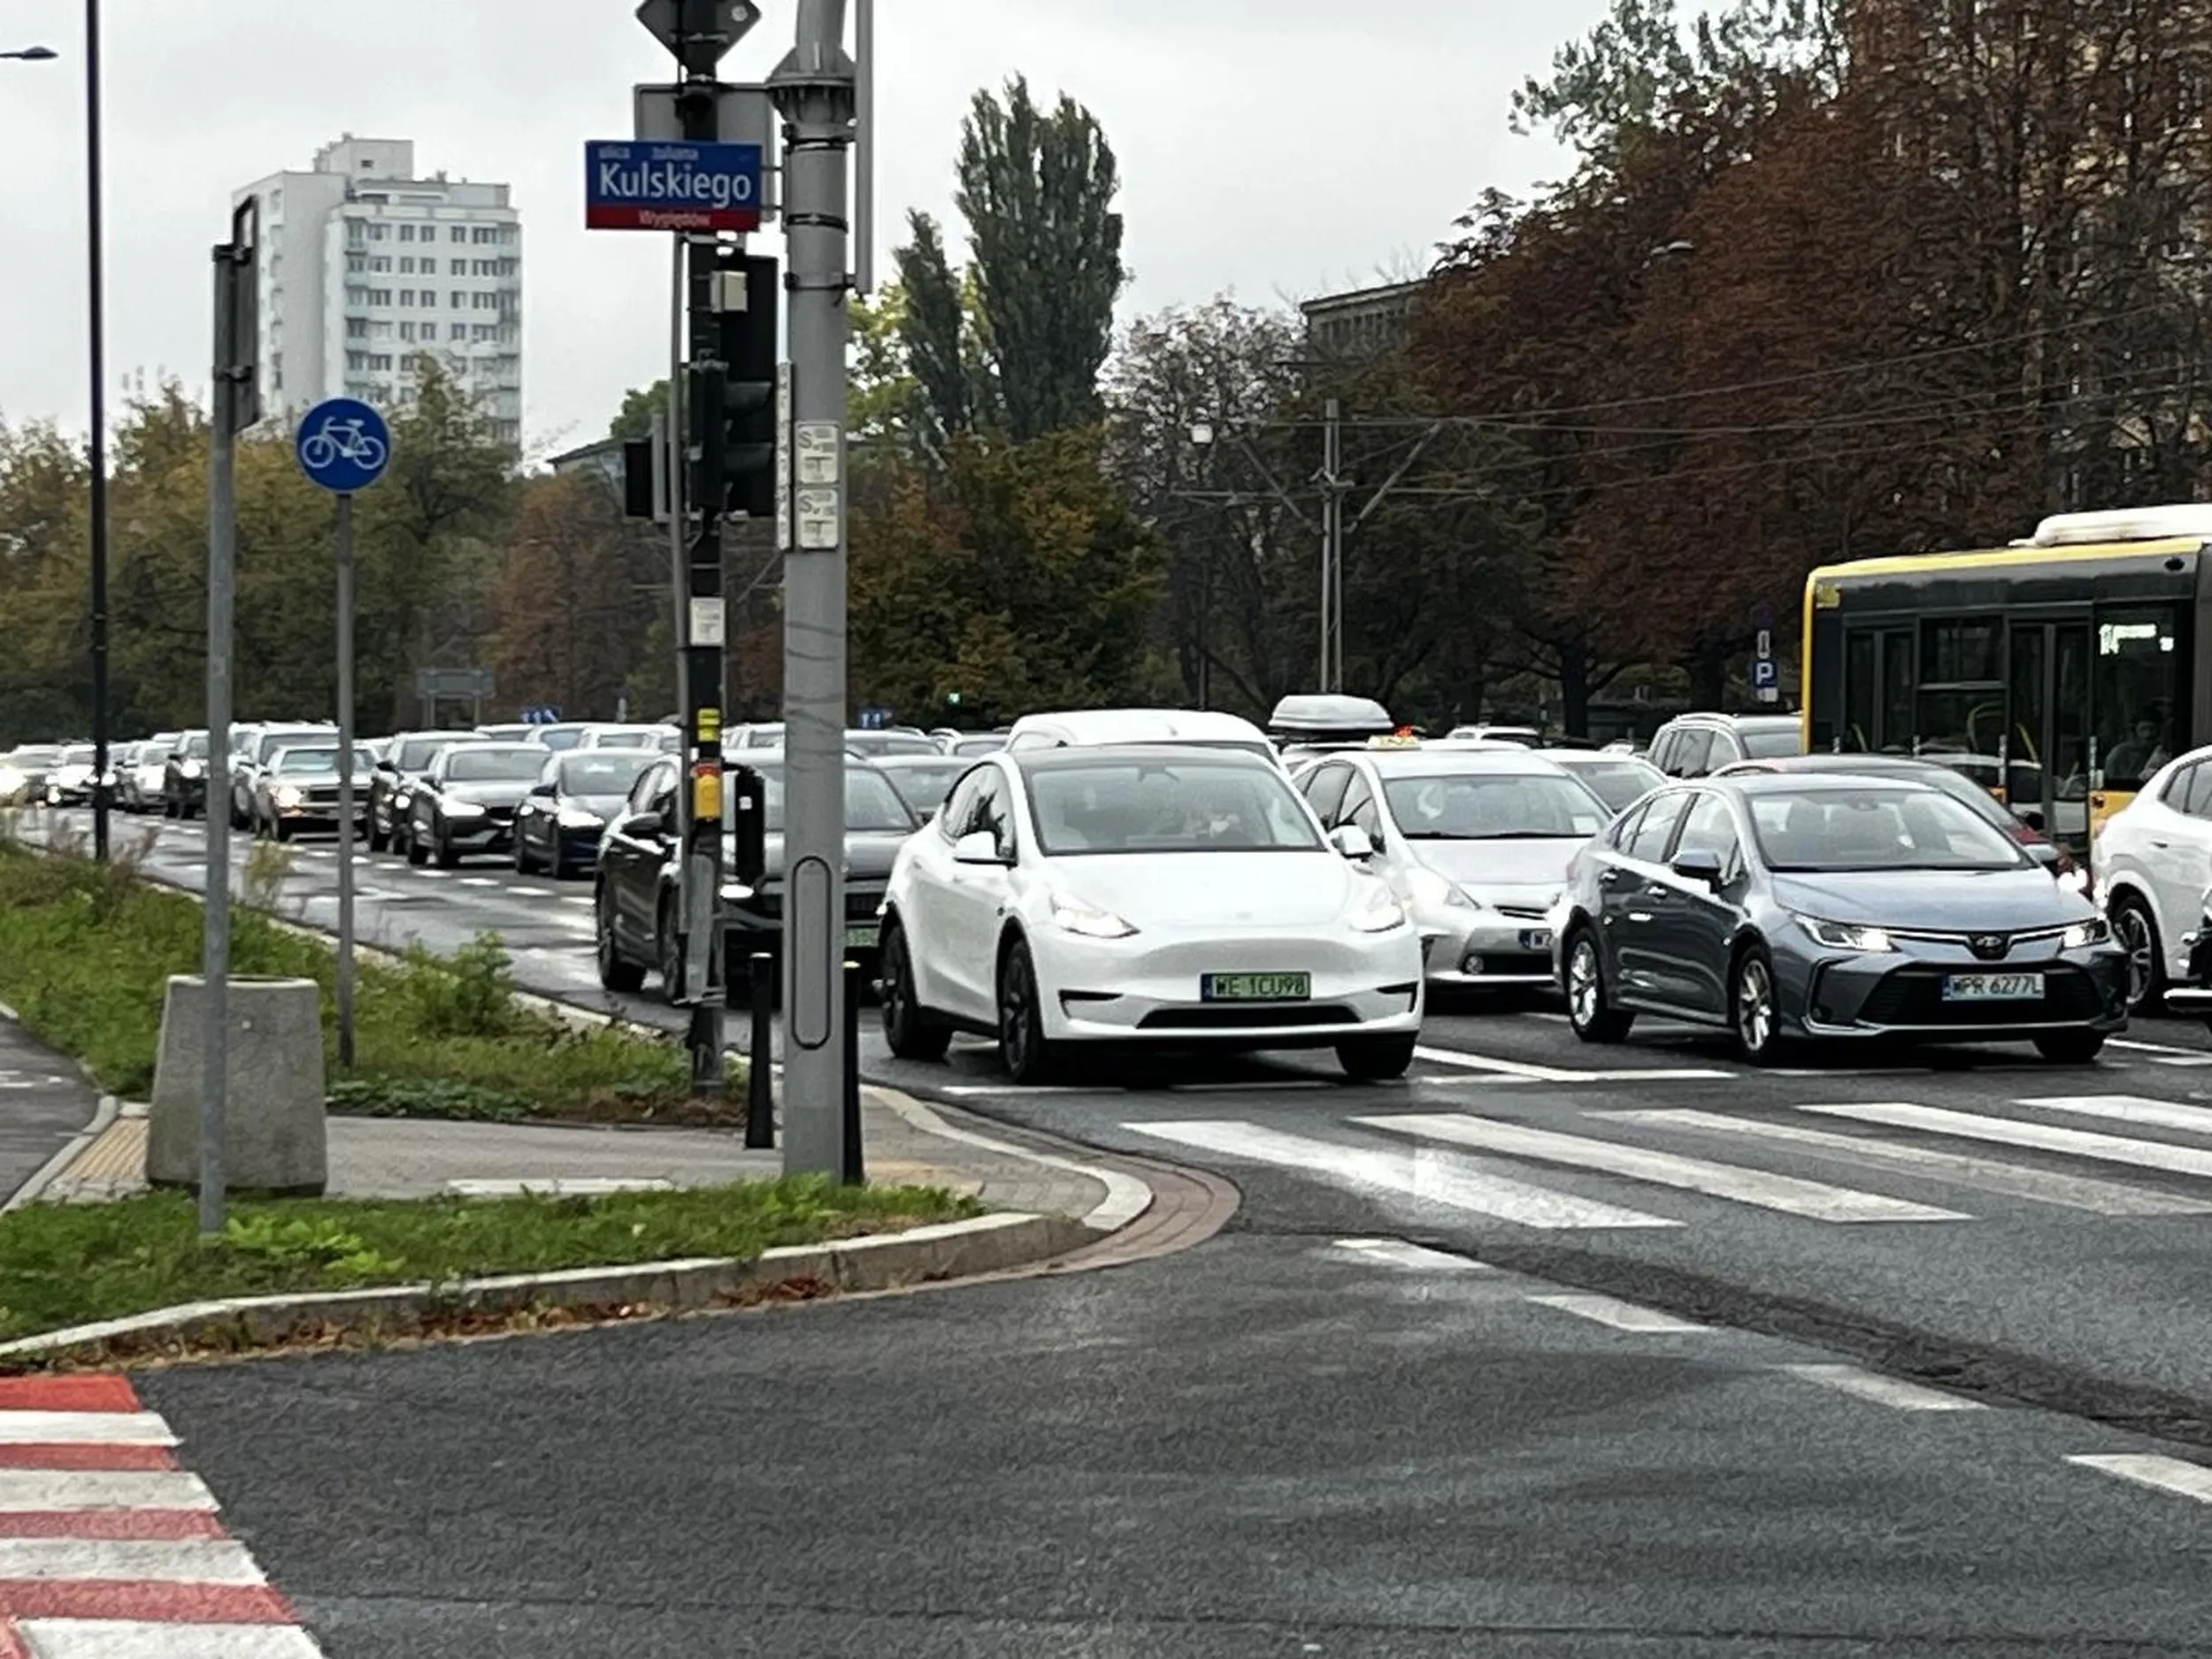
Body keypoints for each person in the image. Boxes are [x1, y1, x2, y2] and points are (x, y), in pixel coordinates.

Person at [2104, 719, 2169, 786]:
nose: (2148, 734)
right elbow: (2109, 779)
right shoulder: (2119, 752)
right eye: (2143, 729)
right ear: (2135, 732)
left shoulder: (2161, 753)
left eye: (2152, 729)